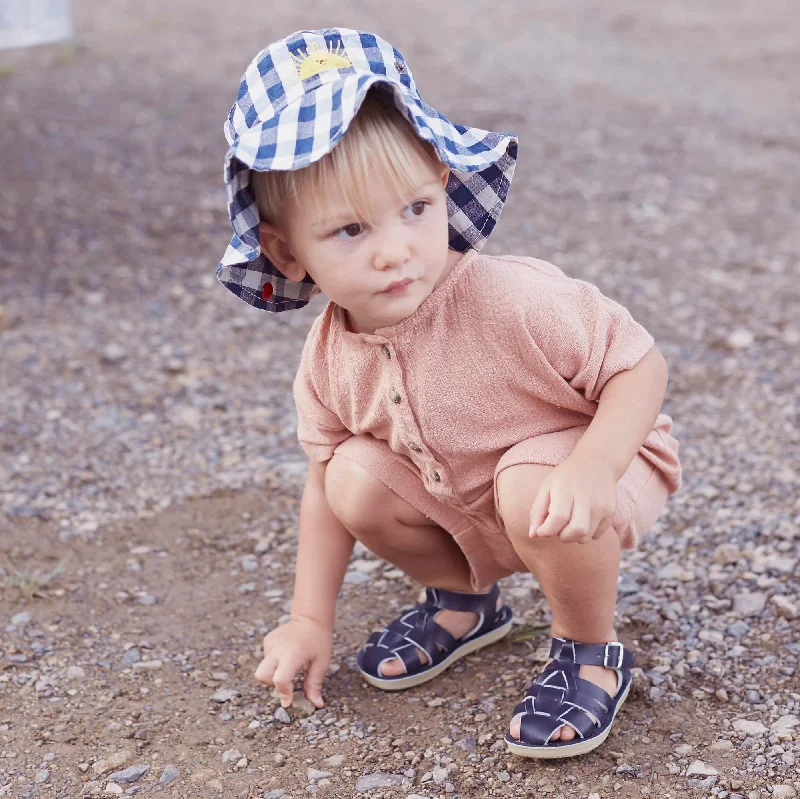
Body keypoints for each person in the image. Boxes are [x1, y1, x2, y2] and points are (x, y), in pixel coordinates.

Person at [215, 27, 681, 759]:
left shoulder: (510, 298)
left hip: (596, 471)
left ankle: (590, 650)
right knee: (350, 479)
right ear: (284, 251)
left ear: (441, 181)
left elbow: (640, 366)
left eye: (414, 209)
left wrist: (595, 465)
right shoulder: (329, 356)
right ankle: (466, 601)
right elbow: (320, 490)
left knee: (530, 481)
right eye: (348, 229)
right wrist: (310, 615)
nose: (394, 247)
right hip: (476, 500)